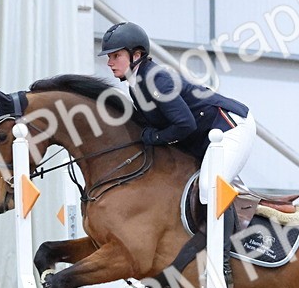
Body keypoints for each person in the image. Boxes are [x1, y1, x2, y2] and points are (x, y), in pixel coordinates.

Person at [99, 21, 256, 204]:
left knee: (209, 188)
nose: (110, 63)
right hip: (205, 136)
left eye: (116, 55)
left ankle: (224, 234)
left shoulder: (157, 79)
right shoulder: (136, 86)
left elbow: (185, 124)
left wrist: (154, 137)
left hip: (231, 126)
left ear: (136, 55)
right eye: (109, 57)